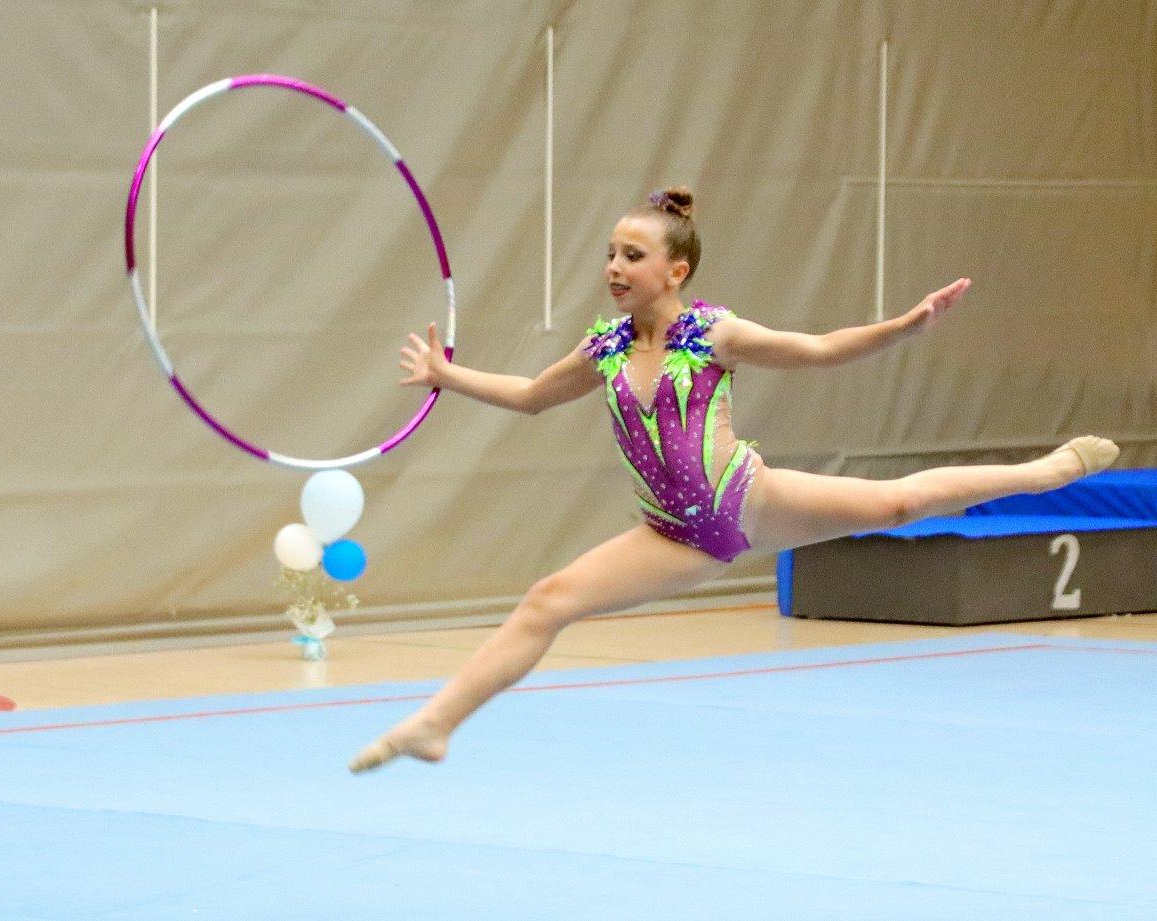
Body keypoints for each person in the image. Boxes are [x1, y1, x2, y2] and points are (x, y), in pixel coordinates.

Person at [348, 186, 1118, 773]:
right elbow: (529, 397)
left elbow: (819, 349)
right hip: (672, 535)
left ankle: (1041, 471)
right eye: (611, 253)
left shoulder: (712, 333)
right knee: (548, 600)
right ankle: (435, 722)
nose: (614, 267)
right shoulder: (605, 346)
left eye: (632, 255)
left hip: (749, 497)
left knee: (899, 502)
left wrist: (906, 326)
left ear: (675, 270)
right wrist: (447, 375)